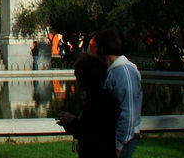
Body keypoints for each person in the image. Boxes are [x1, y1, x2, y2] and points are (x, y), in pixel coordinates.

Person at [56, 53, 120, 157]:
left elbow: (91, 132)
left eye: (78, 77)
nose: (76, 82)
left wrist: (72, 121)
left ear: (84, 79)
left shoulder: (96, 103)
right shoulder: (105, 99)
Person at [94, 28, 143, 158]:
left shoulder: (124, 72)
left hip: (123, 139)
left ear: (102, 49)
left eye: (95, 47)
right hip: (113, 136)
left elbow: (129, 112)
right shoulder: (113, 71)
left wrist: (118, 145)